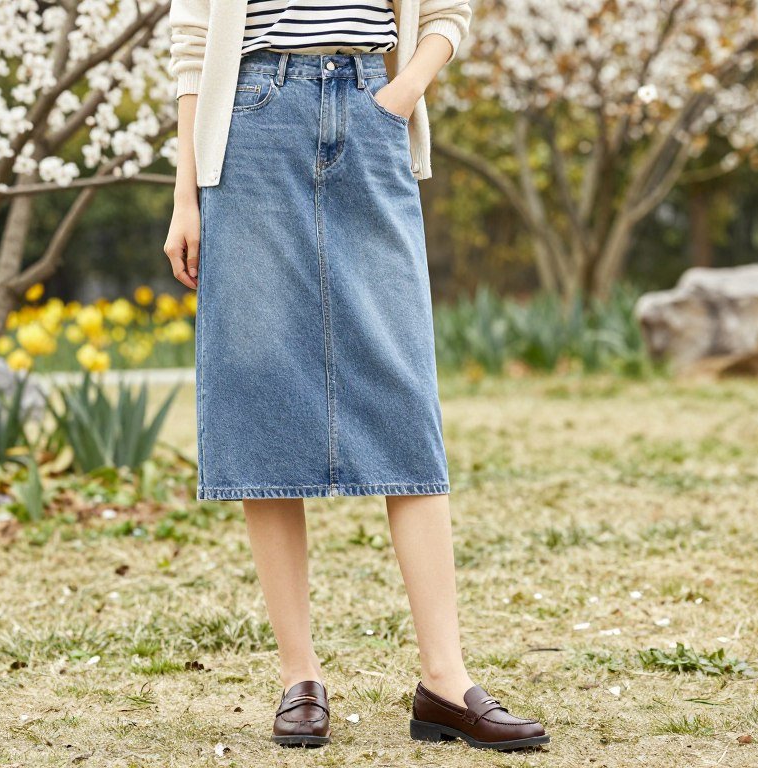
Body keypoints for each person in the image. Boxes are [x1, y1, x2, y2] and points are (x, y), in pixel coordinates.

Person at [163, 0, 550, 752]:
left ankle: (445, 680)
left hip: (372, 108)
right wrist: (185, 192)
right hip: (248, 119)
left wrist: (398, 96)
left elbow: (448, 12)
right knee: (262, 390)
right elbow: (190, 43)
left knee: (403, 392)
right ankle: (298, 677)